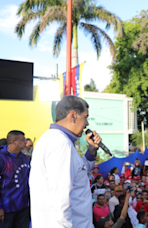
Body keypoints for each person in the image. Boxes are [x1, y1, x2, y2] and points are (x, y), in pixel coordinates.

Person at [30, 95, 103, 227]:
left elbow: (77, 175)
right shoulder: (61, 144)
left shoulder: (51, 139)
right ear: (73, 115)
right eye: (85, 117)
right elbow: (60, 201)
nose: (87, 123)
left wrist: (92, 149)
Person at [0, 130, 31, 228]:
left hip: (24, 207)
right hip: (6, 209)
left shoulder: (26, 158)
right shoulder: (2, 158)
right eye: (22, 140)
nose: (25, 142)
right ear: (13, 141)